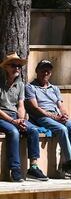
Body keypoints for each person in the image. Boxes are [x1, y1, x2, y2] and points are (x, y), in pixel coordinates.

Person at [24, 60, 71, 179]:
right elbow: (35, 107)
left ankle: (69, 165)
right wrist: (54, 117)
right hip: (41, 117)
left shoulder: (54, 88)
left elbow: (60, 105)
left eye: (48, 71)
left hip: (56, 116)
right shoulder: (30, 87)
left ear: (51, 73)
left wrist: (64, 114)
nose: (45, 73)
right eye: (43, 70)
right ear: (37, 71)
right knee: (62, 129)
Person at [0, 53, 47, 182]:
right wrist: (13, 121)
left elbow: (21, 105)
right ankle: (15, 169)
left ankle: (33, 167)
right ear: (6, 67)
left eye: (19, 66)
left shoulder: (20, 84)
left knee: (32, 130)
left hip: (15, 116)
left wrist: (21, 119)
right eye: (14, 65)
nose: (17, 68)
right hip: (2, 117)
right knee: (14, 132)